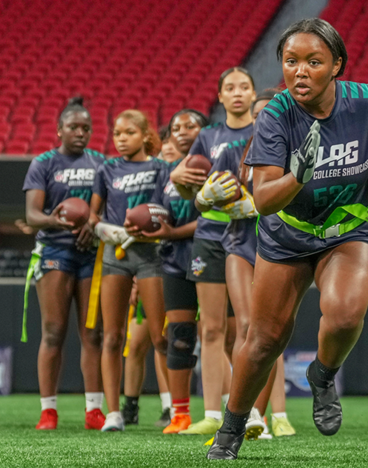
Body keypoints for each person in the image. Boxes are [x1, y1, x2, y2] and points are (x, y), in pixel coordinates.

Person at [207, 18, 368, 459]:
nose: (300, 71)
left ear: (337, 66)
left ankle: (322, 375)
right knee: (265, 340)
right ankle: (231, 430)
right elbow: (265, 199)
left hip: (350, 228)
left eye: (314, 61)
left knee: (346, 316)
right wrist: (299, 175)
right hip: (288, 235)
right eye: (291, 62)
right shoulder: (275, 116)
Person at [198, 88, 296, 440]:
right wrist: (204, 197)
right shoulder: (239, 152)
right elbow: (212, 198)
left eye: (268, 112)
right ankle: (250, 414)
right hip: (240, 242)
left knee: (266, 331)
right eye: (258, 114)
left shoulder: (302, 150)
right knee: (246, 325)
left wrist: (257, 205)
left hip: (281, 246)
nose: (262, 118)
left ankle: (265, 415)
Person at [169, 69, 256, 435]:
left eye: (244, 87)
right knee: (211, 329)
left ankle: (251, 413)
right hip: (209, 236)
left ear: (253, 94)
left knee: (248, 331)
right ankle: (211, 414)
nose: (237, 94)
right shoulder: (207, 136)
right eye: (229, 88)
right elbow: (186, 185)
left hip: (251, 235)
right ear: (220, 97)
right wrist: (184, 183)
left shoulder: (264, 131)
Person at [23, 97, 106, 430]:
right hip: (55, 252)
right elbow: (31, 215)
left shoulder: (101, 162)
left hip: (90, 253)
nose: (80, 133)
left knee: (92, 333)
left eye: (86, 128)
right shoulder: (43, 162)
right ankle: (48, 411)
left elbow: (107, 207)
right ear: (59, 130)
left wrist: (92, 222)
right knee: (54, 331)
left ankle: (94, 411)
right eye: (73, 127)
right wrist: (63, 223)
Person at [89, 109, 169, 432]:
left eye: (129, 133)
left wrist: (147, 224)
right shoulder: (107, 169)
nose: (121, 139)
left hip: (152, 253)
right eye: (117, 134)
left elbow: (166, 208)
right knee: (112, 336)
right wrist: (109, 232)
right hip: (115, 255)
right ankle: (113, 413)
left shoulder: (160, 168)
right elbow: (93, 216)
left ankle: (175, 408)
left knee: (160, 335)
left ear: (144, 135)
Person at [134, 109, 208, 434]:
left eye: (190, 126)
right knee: (178, 338)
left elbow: (216, 217)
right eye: (176, 127)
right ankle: (180, 414)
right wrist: (139, 222)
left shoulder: (214, 165)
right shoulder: (166, 173)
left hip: (213, 256)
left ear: (204, 131)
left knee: (229, 337)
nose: (181, 132)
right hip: (175, 260)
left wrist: (170, 232)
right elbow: (154, 210)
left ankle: (237, 411)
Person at [121, 282, 172, 427]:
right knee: (135, 344)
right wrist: (136, 283)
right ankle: (130, 407)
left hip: (169, 273)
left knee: (162, 341)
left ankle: (170, 406)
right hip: (147, 278)